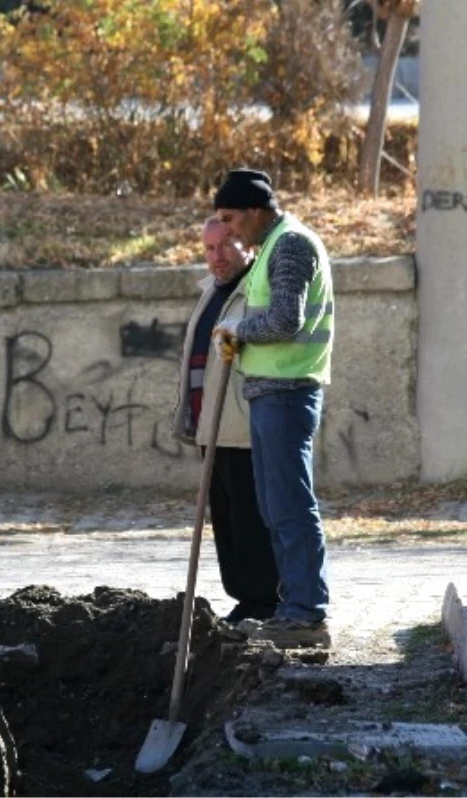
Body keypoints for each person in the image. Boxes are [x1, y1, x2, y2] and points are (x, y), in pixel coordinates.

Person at [210, 168, 333, 650]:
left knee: (289, 505)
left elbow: (285, 318)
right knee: (273, 505)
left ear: (256, 211)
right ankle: (291, 609)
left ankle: (306, 614)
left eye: (232, 218)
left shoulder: (291, 245)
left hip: (287, 391)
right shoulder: (270, 248)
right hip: (269, 391)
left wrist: (237, 329)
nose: (229, 229)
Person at [174, 218, 281, 625]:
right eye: (208, 249)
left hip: (241, 422)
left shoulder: (254, 289)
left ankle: (265, 602)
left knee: (250, 519)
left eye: (225, 246)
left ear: (245, 243)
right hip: (211, 425)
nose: (216, 257)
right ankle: (244, 599)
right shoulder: (211, 292)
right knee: (226, 519)